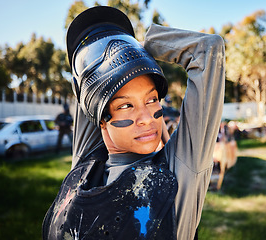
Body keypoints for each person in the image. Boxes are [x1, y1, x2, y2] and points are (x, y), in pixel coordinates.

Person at [43, 6, 225, 240]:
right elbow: (86, 94)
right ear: (102, 121)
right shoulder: (86, 165)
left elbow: (207, 50)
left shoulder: (179, 175)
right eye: (126, 105)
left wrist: (140, 46)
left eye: (151, 100)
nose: (147, 118)